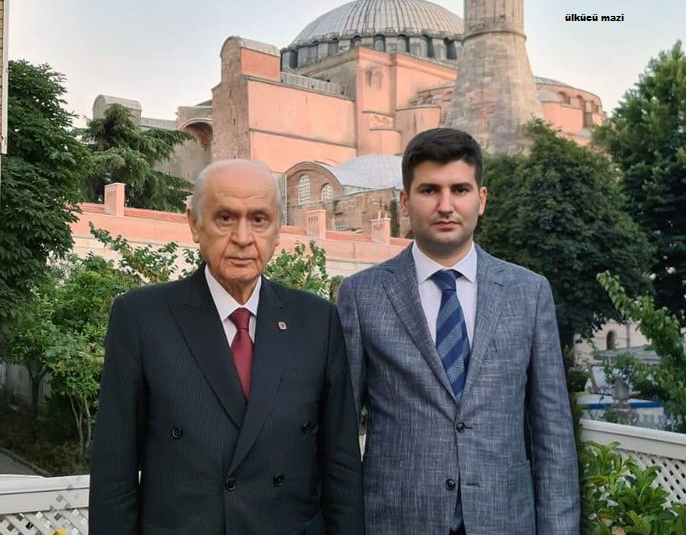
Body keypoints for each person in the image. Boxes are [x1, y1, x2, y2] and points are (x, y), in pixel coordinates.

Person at [89, 158, 364, 535]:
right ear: (194, 224)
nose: (243, 237)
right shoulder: (141, 318)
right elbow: (113, 474)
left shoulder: (318, 321)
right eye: (225, 218)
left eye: (259, 219)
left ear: (278, 230)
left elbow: (341, 470)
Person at [337, 128, 579, 535]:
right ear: (404, 201)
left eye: (460, 190)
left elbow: (552, 433)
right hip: (397, 522)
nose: (446, 205)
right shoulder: (362, 296)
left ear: (481, 200)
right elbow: (339, 435)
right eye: (429, 190)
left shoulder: (528, 293)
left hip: (505, 520)